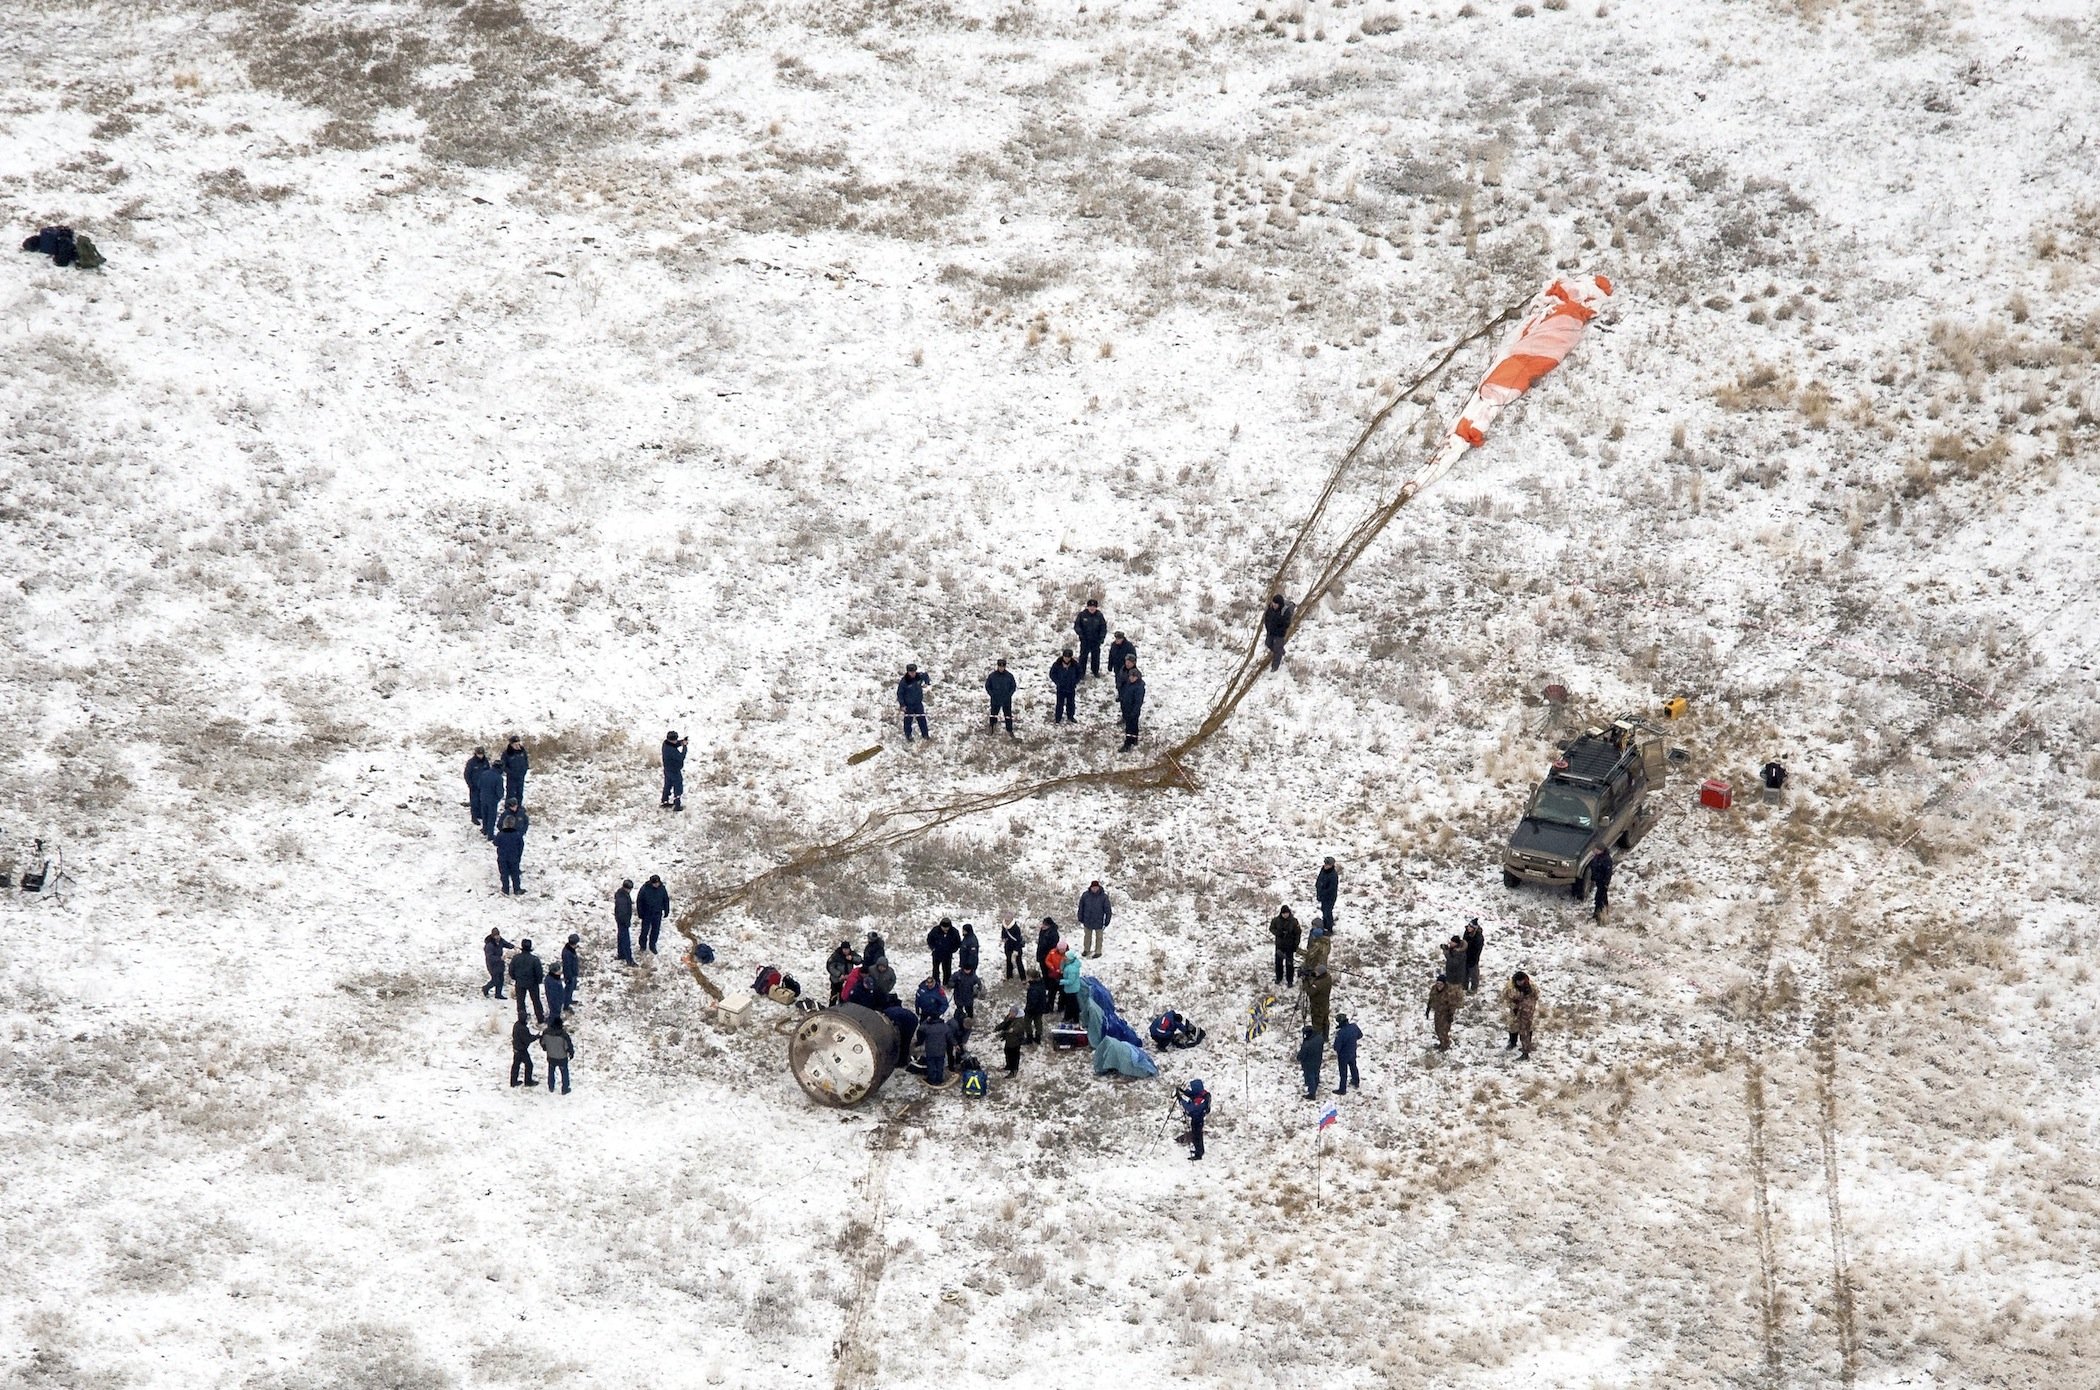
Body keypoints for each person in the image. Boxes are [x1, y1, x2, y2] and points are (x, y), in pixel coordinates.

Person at [1503, 971, 1539, 1058]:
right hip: (1515, 1007)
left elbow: (1536, 995)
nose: (1520, 983)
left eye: (1521, 981)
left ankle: (1527, 1045)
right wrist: (1514, 1006)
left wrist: (1527, 1004)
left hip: (1527, 1008)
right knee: (1513, 1025)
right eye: (1518, 982)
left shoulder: (1531, 985)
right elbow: (1506, 997)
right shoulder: (1510, 987)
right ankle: (1512, 1042)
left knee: (1527, 1027)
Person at [509, 939, 546, 1023]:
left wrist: (516, 978)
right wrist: (538, 981)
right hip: (532, 984)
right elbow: (539, 973)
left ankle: (522, 1019)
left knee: (520, 1001)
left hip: (520, 983)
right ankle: (540, 1018)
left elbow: (511, 970)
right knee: (536, 1001)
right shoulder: (535, 959)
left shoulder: (516, 958)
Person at [493, 806, 527, 896]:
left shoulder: (501, 834)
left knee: (504, 874)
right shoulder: (517, 834)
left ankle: (505, 889)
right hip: (514, 857)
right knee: (515, 873)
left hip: (502, 857)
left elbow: (495, 843)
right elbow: (521, 845)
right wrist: (518, 855)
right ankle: (517, 889)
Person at [471, 756, 506, 838]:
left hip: (483, 798)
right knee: (491, 817)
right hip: (493, 800)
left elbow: (479, 785)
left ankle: (484, 829)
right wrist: (498, 798)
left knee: (484, 814)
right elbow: (500, 791)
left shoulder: (484, 773)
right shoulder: (498, 778)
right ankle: (490, 834)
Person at [897, 664, 931, 742]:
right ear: (908, 672)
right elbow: (900, 693)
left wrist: (927, 682)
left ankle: (925, 735)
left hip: (918, 703)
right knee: (908, 720)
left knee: (922, 719)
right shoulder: (904, 681)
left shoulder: (919, 676)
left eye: (914, 672)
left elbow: (925, 675)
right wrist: (902, 705)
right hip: (908, 705)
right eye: (911, 672)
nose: (913, 673)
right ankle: (908, 735)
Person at [1077, 881, 1112, 958]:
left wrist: (1107, 920)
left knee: (1099, 937)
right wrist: (1080, 916)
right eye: (1093, 887)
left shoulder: (1104, 897)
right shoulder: (1085, 895)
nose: (1095, 889)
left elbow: (1108, 910)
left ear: (1098, 887)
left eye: (1096, 887)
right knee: (1087, 936)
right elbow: (1081, 907)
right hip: (1087, 919)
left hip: (1099, 920)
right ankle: (1086, 950)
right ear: (1091, 887)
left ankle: (1098, 951)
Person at [1178, 1079, 1211, 1161]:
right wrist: (1183, 1091)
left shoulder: (1200, 1100)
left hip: (1197, 1120)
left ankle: (1198, 1154)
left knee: (1196, 1136)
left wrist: (1181, 1100)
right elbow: (1192, 1094)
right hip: (1198, 1119)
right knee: (1198, 1136)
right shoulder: (1202, 1094)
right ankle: (1200, 1151)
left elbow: (1189, 1108)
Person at [1427, 975, 1463, 1050]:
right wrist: (1428, 1009)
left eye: (1441, 984)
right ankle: (1442, 1043)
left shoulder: (1448, 992)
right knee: (1437, 1029)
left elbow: (1452, 1005)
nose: (1439, 986)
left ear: (1444, 984)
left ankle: (1445, 1045)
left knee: (1444, 1030)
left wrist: (1450, 1015)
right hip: (1437, 1012)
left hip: (1446, 1013)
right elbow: (1431, 998)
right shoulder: (1434, 989)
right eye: (1438, 984)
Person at [1262, 594, 1296, 672]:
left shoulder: (1285, 611)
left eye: (1276, 604)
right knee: (1268, 643)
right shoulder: (1270, 608)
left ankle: (1275, 667)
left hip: (1279, 634)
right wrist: (1268, 628)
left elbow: (1286, 624)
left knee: (1277, 650)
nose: (1274, 605)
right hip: (1270, 631)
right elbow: (1266, 618)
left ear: (1279, 604)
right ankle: (1281, 651)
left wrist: (1279, 629)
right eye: (1273, 603)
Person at [636, 875, 669, 955]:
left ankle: (652, 945)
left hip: (657, 913)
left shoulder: (662, 889)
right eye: (654, 883)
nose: (656, 885)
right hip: (647, 913)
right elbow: (639, 901)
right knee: (645, 931)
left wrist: (666, 910)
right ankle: (642, 946)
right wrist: (640, 913)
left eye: (657, 883)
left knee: (655, 931)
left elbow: (666, 900)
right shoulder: (644, 889)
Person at [1269, 905, 1301, 986]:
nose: (1285, 915)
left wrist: (1296, 945)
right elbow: (1271, 928)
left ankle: (1290, 980)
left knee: (1289, 963)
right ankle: (1278, 977)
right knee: (1278, 963)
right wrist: (1279, 933)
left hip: (1290, 946)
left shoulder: (1294, 921)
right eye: (1284, 913)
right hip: (1279, 945)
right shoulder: (1276, 920)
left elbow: (1298, 933)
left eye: (1286, 913)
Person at [1074, 599, 1107, 677]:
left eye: (1094, 607)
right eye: (1090, 606)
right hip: (1085, 640)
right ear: (1087, 607)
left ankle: (1095, 671)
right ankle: (1081, 673)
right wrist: (1081, 634)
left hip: (1096, 640)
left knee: (1096, 657)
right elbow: (1077, 626)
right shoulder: (1082, 615)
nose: (1092, 608)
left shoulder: (1099, 615)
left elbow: (1103, 627)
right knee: (1083, 657)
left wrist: (1102, 637)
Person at [985, 660, 1018, 737]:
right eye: (1000, 666)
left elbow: (1013, 686)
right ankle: (992, 728)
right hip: (995, 699)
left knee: (1008, 715)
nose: (1001, 668)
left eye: (1002, 667)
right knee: (993, 714)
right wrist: (992, 694)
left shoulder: (1009, 676)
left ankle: (1009, 730)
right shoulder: (992, 676)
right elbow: (987, 686)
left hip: (1006, 699)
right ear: (998, 666)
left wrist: (1009, 695)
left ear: (1005, 667)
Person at [919, 1013, 954, 1086]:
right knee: (940, 1064)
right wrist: (956, 1044)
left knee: (931, 1065)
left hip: (930, 1050)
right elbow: (950, 1037)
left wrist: (926, 1020)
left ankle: (932, 1079)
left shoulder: (928, 1027)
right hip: (941, 1049)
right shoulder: (945, 1026)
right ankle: (939, 1079)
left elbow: (920, 1028)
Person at [541, 1016, 573, 1094]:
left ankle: (551, 1086)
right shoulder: (563, 1035)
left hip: (551, 1056)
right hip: (562, 1058)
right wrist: (571, 1053)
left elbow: (542, 1043)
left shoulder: (546, 1032)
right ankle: (565, 1088)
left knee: (551, 1071)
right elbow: (568, 1047)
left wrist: (546, 1048)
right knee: (564, 1072)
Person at [926, 917, 961, 986]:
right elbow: (929, 939)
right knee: (935, 969)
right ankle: (936, 983)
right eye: (943, 927)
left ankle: (947, 983)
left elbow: (958, 943)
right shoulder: (935, 930)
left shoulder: (954, 932)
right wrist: (933, 948)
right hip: (937, 954)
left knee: (947, 970)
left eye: (947, 927)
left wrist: (952, 950)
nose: (945, 929)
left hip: (947, 955)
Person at [1050, 649, 1082, 724]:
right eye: (1065, 657)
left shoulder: (1075, 664)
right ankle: (1058, 718)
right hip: (1061, 688)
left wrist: (1075, 682)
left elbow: (1080, 673)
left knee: (1071, 703)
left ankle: (1070, 716)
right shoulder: (1057, 664)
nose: (1066, 658)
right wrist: (1058, 682)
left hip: (1071, 688)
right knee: (1059, 704)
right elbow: (1052, 674)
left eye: (1068, 657)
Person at [465, 746, 495, 828]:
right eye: (479, 754)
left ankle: (480, 814)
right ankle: (474, 817)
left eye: (482, 754)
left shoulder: (485, 762)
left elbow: (489, 772)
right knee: (474, 801)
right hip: (474, 786)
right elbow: (467, 774)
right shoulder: (471, 762)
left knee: (482, 801)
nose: (480, 756)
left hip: (483, 786)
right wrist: (470, 784)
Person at [1332, 1013, 1362, 1094]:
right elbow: (1360, 1035)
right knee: (1353, 1066)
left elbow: (1336, 1047)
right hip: (1352, 1051)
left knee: (1343, 1072)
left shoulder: (1340, 1033)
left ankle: (1342, 1089)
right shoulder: (1354, 1026)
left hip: (1343, 1055)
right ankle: (1355, 1081)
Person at [1118, 666, 1146, 750]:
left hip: (1133, 710)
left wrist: (1134, 712)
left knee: (1130, 727)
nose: (1131, 678)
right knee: (1133, 726)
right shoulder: (1129, 684)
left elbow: (1138, 702)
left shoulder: (1139, 687)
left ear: (1137, 677)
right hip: (1127, 709)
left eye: (1133, 676)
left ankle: (1128, 744)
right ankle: (1134, 739)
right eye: (1130, 676)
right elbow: (1125, 693)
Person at [1302, 962, 1334, 1037]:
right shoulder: (1328, 977)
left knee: (1317, 1024)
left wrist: (1305, 982)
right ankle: (1325, 1037)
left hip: (1317, 1007)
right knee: (1325, 1020)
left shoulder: (1318, 984)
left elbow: (1310, 992)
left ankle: (1317, 1039)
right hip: (1325, 1004)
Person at [482, 928, 514, 998]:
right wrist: (499, 958)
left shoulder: (500, 940)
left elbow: (506, 944)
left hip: (500, 963)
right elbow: (489, 957)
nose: (497, 937)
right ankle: (485, 988)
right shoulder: (489, 945)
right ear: (492, 936)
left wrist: (512, 946)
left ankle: (498, 994)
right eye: (495, 936)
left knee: (501, 979)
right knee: (495, 980)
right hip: (492, 965)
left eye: (498, 935)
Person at [661, 730, 689, 811]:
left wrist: (681, 742)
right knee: (678, 786)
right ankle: (677, 805)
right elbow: (681, 757)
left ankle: (664, 801)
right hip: (674, 771)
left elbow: (674, 744)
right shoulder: (672, 751)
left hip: (667, 769)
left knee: (668, 785)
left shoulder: (665, 744)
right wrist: (685, 747)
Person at [826, 940, 859, 1005]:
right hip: (836, 980)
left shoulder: (851, 954)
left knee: (845, 996)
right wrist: (839, 975)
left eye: (847, 949)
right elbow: (830, 967)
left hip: (848, 979)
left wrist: (852, 958)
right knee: (834, 995)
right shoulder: (836, 956)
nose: (846, 951)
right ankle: (831, 1008)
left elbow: (859, 960)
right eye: (844, 949)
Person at [510, 1015, 539, 1088]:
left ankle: (513, 1082)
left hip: (516, 1048)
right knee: (529, 1065)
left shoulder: (516, 1025)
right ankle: (528, 1081)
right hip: (522, 1050)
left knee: (515, 1066)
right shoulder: (523, 1029)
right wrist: (536, 1037)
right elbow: (527, 1039)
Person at [1023, 970, 1051, 1043]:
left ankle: (1029, 1038)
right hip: (1040, 1007)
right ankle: (1038, 1037)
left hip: (1033, 1009)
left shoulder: (1033, 989)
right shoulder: (1041, 983)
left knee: (1027, 1022)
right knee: (1038, 1022)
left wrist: (1028, 1009)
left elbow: (1033, 1001)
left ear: (1032, 978)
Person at [996, 1006, 1025, 1075]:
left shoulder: (1019, 1020)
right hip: (1009, 1040)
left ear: (1016, 1013)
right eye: (1010, 1012)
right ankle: (1008, 1066)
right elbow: (1004, 1023)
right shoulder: (1010, 1017)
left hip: (1015, 1041)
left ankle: (1014, 1070)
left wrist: (1012, 1030)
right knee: (1007, 1052)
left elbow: (1017, 1028)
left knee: (1014, 1056)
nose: (1010, 1013)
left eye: (1012, 1012)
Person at [1296, 1026, 1324, 1099]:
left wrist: (1298, 1058)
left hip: (1308, 1062)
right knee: (1316, 1072)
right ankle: (1316, 1083)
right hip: (1318, 1059)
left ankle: (1312, 1093)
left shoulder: (1307, 1044)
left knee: (1310, 1076)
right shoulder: (1319, 1038)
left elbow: (1301, 1055)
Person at [501, 735, 529, 806]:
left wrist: (524, 771)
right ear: (511, 745)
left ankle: (518, 809)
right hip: (511, 778)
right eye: (515, 744)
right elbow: (503, 765)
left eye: (518, 744)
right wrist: (510, 772)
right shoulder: (507, 753)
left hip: (521, 777)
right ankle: (508, 811)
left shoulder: (522, 751)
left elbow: (526, 762)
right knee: (511, 795)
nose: (517, 746)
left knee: (519, 794)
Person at [1587, 847, 1615, 919]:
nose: (1594, 851)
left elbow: (1608, 873)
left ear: (1601, 850)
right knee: (1602, 898)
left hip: (1603, 882)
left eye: (1596, 850)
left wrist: (1606, 883)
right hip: (1598, 881)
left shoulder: (1606, 860)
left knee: (1599, 898)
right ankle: (1603, 912)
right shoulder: (1597, 857)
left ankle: (1598, 915)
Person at [614, 880, 636, 965]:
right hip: (623, 921)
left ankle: (621, 954)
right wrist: (627, 922)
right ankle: (629, 960)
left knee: (620, 937)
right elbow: (623, 912)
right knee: (626, 940)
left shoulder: (620, 894)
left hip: (619, 920)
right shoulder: (623, 899)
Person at [1058, 950, 1083, 1022]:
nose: (1064, 958)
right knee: (1070, 1004)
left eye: (1066, 957)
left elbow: (1070, 981)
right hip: (1070, 988)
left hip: (1072, 989)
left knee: (1072, 1005)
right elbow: (1062, 969)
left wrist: (1061, 981)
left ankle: (1074, 1019)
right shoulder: (1069, 964)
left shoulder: (1072, 969)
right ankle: (1069, 1017)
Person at [1462, 918, 1485, 994]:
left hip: (1473, 958)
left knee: (1474, 974)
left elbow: (1477, 950)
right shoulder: (1466, 932)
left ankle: (1473, 989)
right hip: (1465, 956)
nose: (1468, 928)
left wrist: (1474, 959)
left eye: (1470, 927)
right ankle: (1464, 986)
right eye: (1468, 926)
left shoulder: (1478, 937)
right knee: (1465, 973)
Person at [1315, 857, 1339, 929]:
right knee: (1323, 910)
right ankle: (1325, 925)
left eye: (1328, 864)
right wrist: (1318, 890)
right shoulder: (1323, 870)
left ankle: (1329, 928)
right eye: (1325, 864)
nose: (1326, 866)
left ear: (1331, 865)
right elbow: (1319, 880)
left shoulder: (1333, 875)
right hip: (1322, 896)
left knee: (1327, 912)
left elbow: (1331, 888)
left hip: (1330, 897)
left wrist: (1322, 893)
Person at [561, 934, 582, 1006]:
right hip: (570, 975)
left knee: (571, 988)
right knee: (569, 989)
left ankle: (568, 999)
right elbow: (567, 966)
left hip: (573, 973)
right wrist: (569, 977)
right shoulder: (567, 953)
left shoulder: (570, 950)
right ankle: (566, 1004)